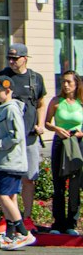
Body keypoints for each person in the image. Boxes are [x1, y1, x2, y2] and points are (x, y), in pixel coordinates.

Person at [0, 42, 46, 227]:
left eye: (15, 58)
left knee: (28, 178)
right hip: (10, 141)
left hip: (30, 137)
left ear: (25, 58)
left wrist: (40, 124)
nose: (11, 61)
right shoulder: (2, 77)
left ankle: (27, 217)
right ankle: (10, 218)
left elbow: (40, 104)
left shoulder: (35, 78)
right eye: (9, 58)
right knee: (10, 178)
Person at [0, 75, 35, 248]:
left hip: (11, 161)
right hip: (6, 161)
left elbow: (16, 136)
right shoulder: (4, 108)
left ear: (9, 91)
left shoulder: (11, 109)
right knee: (11, 197)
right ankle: (9, 233)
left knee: (2, 195)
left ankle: (23, 232)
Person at [43, 69, 83, 234]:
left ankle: (71, 223)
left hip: (77, 143)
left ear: (76, 84)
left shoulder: (81, 102)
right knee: (58, 184)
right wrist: (56, 128)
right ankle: (58, 223)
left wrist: (80, 133)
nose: (66, 85)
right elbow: (46, 122)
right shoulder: (56, 101)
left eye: (69, 82)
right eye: (63, 82)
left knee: (75, 184)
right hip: (60, 142)